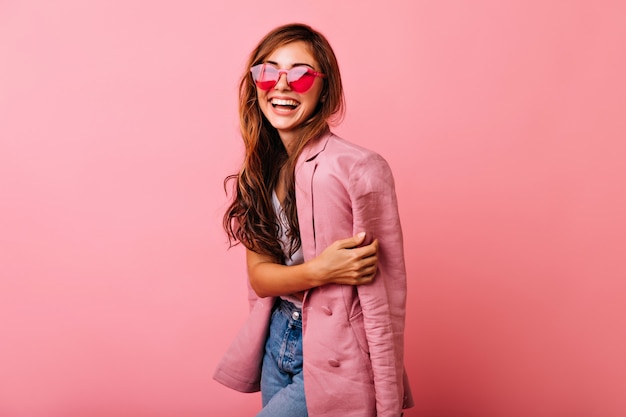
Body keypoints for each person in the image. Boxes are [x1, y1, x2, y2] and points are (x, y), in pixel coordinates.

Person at [214, 23, 413, 417]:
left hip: (338, 351)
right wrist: (321, 270)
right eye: (268, 72)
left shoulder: (358, 168)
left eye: (301, 74)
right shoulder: (259, 171)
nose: (281, 86)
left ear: (326, 89)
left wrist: (389, 403)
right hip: (278, 339)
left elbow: (383, 301)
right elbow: (261, 276)